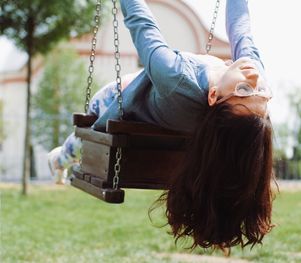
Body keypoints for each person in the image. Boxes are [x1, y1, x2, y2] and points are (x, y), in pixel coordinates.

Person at [48, 0, 275, 250]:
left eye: (244, 90)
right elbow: (241, 29)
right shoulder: (250, 80)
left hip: (115, 100)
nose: (254, 77)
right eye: (262, 91)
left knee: (81, 138)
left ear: (213, 97)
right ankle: (62, 160)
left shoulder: (175, 78)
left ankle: (59, 159)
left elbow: (141, 23)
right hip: (153, 103)